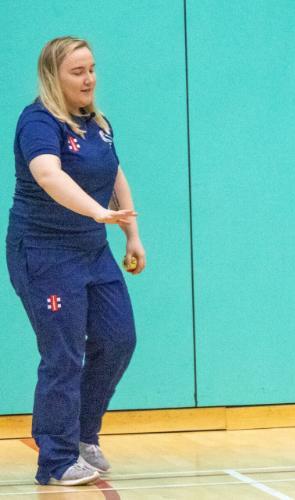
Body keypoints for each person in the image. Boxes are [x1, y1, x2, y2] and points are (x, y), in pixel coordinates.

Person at [6, 36, 146, 486]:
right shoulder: (38, 122)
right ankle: (56, 461)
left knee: (118, 337)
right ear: (54, 76)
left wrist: (131, 232)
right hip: (45, 253)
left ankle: (84, 435)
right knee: (63, 354)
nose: (88, 79)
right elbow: (48, 174)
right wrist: (96, 211)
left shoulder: (96, 123)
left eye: (91, 69)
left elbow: (114, 171)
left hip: (92, 249)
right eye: (77, 71)